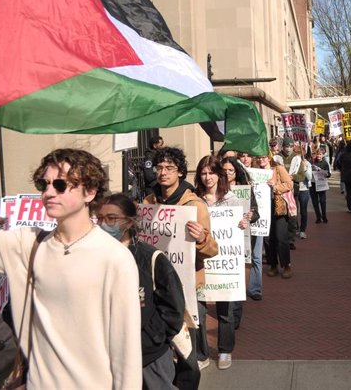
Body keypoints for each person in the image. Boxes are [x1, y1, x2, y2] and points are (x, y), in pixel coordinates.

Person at [0, 148, 142, 388]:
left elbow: (126, 352)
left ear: (90, 192)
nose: (49, 192)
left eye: (61, 185)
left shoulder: (115, 258)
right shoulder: (29, 245)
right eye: (45, 184)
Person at [143, 146, 218, 385]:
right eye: (159, 168)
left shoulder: (194, 205)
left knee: (186, 352)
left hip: (185, 286)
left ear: (180, 172)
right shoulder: (148, 201)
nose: (163, 172)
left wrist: (201, 239)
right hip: (155, 285)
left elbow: (212, 249)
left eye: (169, 168)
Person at [98, 193, 185, 389]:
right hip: (108, 357)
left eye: (112, 218)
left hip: (149, 358)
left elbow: (173, 310)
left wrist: (149, 340)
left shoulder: (151, 258)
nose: (104, 224)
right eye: (100, 218)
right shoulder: (94, 258)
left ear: (129, 222)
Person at [194, 155, 250, 370]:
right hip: (200, 263)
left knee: (224, 310)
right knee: (198, 311)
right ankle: (201, 353)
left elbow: (240, 226)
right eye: (204, 173)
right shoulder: (194, 199)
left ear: (219, 175)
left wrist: (243, 223)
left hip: (224, 265)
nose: (208, 178)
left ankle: (225, 350)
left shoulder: (232, 200)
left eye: (212, 173)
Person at [225, 156, 262, 300]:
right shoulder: (215, 190)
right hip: (223, 235)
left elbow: (256, 213)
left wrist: (251, 215)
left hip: (241, 235)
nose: (227, 173)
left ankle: (237, 303)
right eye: (224, 170)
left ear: (236, 172)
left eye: (230, 170)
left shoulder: (245, 189)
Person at [256, 151, 294, 279]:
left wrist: (275, 186)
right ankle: (273, 264)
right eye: (259, 157)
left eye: (263, 157)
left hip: (278, 206)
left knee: (281, 237)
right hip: (263, 207)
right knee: (267, 237)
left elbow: (289, 184)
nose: (261, 160)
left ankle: (286, 265)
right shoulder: (255, 172)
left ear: (269, 157)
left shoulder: (278, 169)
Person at [289, 144, 312, 239]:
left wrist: (305, 168)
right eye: (296, 154)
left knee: (303, 211)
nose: (297, 156)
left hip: (304, 190)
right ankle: (295, 228)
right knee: (294, 211)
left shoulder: (307, 163)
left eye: (299, 154)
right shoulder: (292, 163)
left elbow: (310, 177)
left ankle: (302, 230)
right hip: (294, 189)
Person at [310, 148, 331, 224]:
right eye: (317, 154)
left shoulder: (325, 163)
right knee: (315, 202)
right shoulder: (312, 162)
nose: (318, 156)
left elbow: (328, 174)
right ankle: (318, 217)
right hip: (313, 184)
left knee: (322, 201)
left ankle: (324, 216)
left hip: (321, 184)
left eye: (320, 154)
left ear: (323, 155)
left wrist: (324, 172)